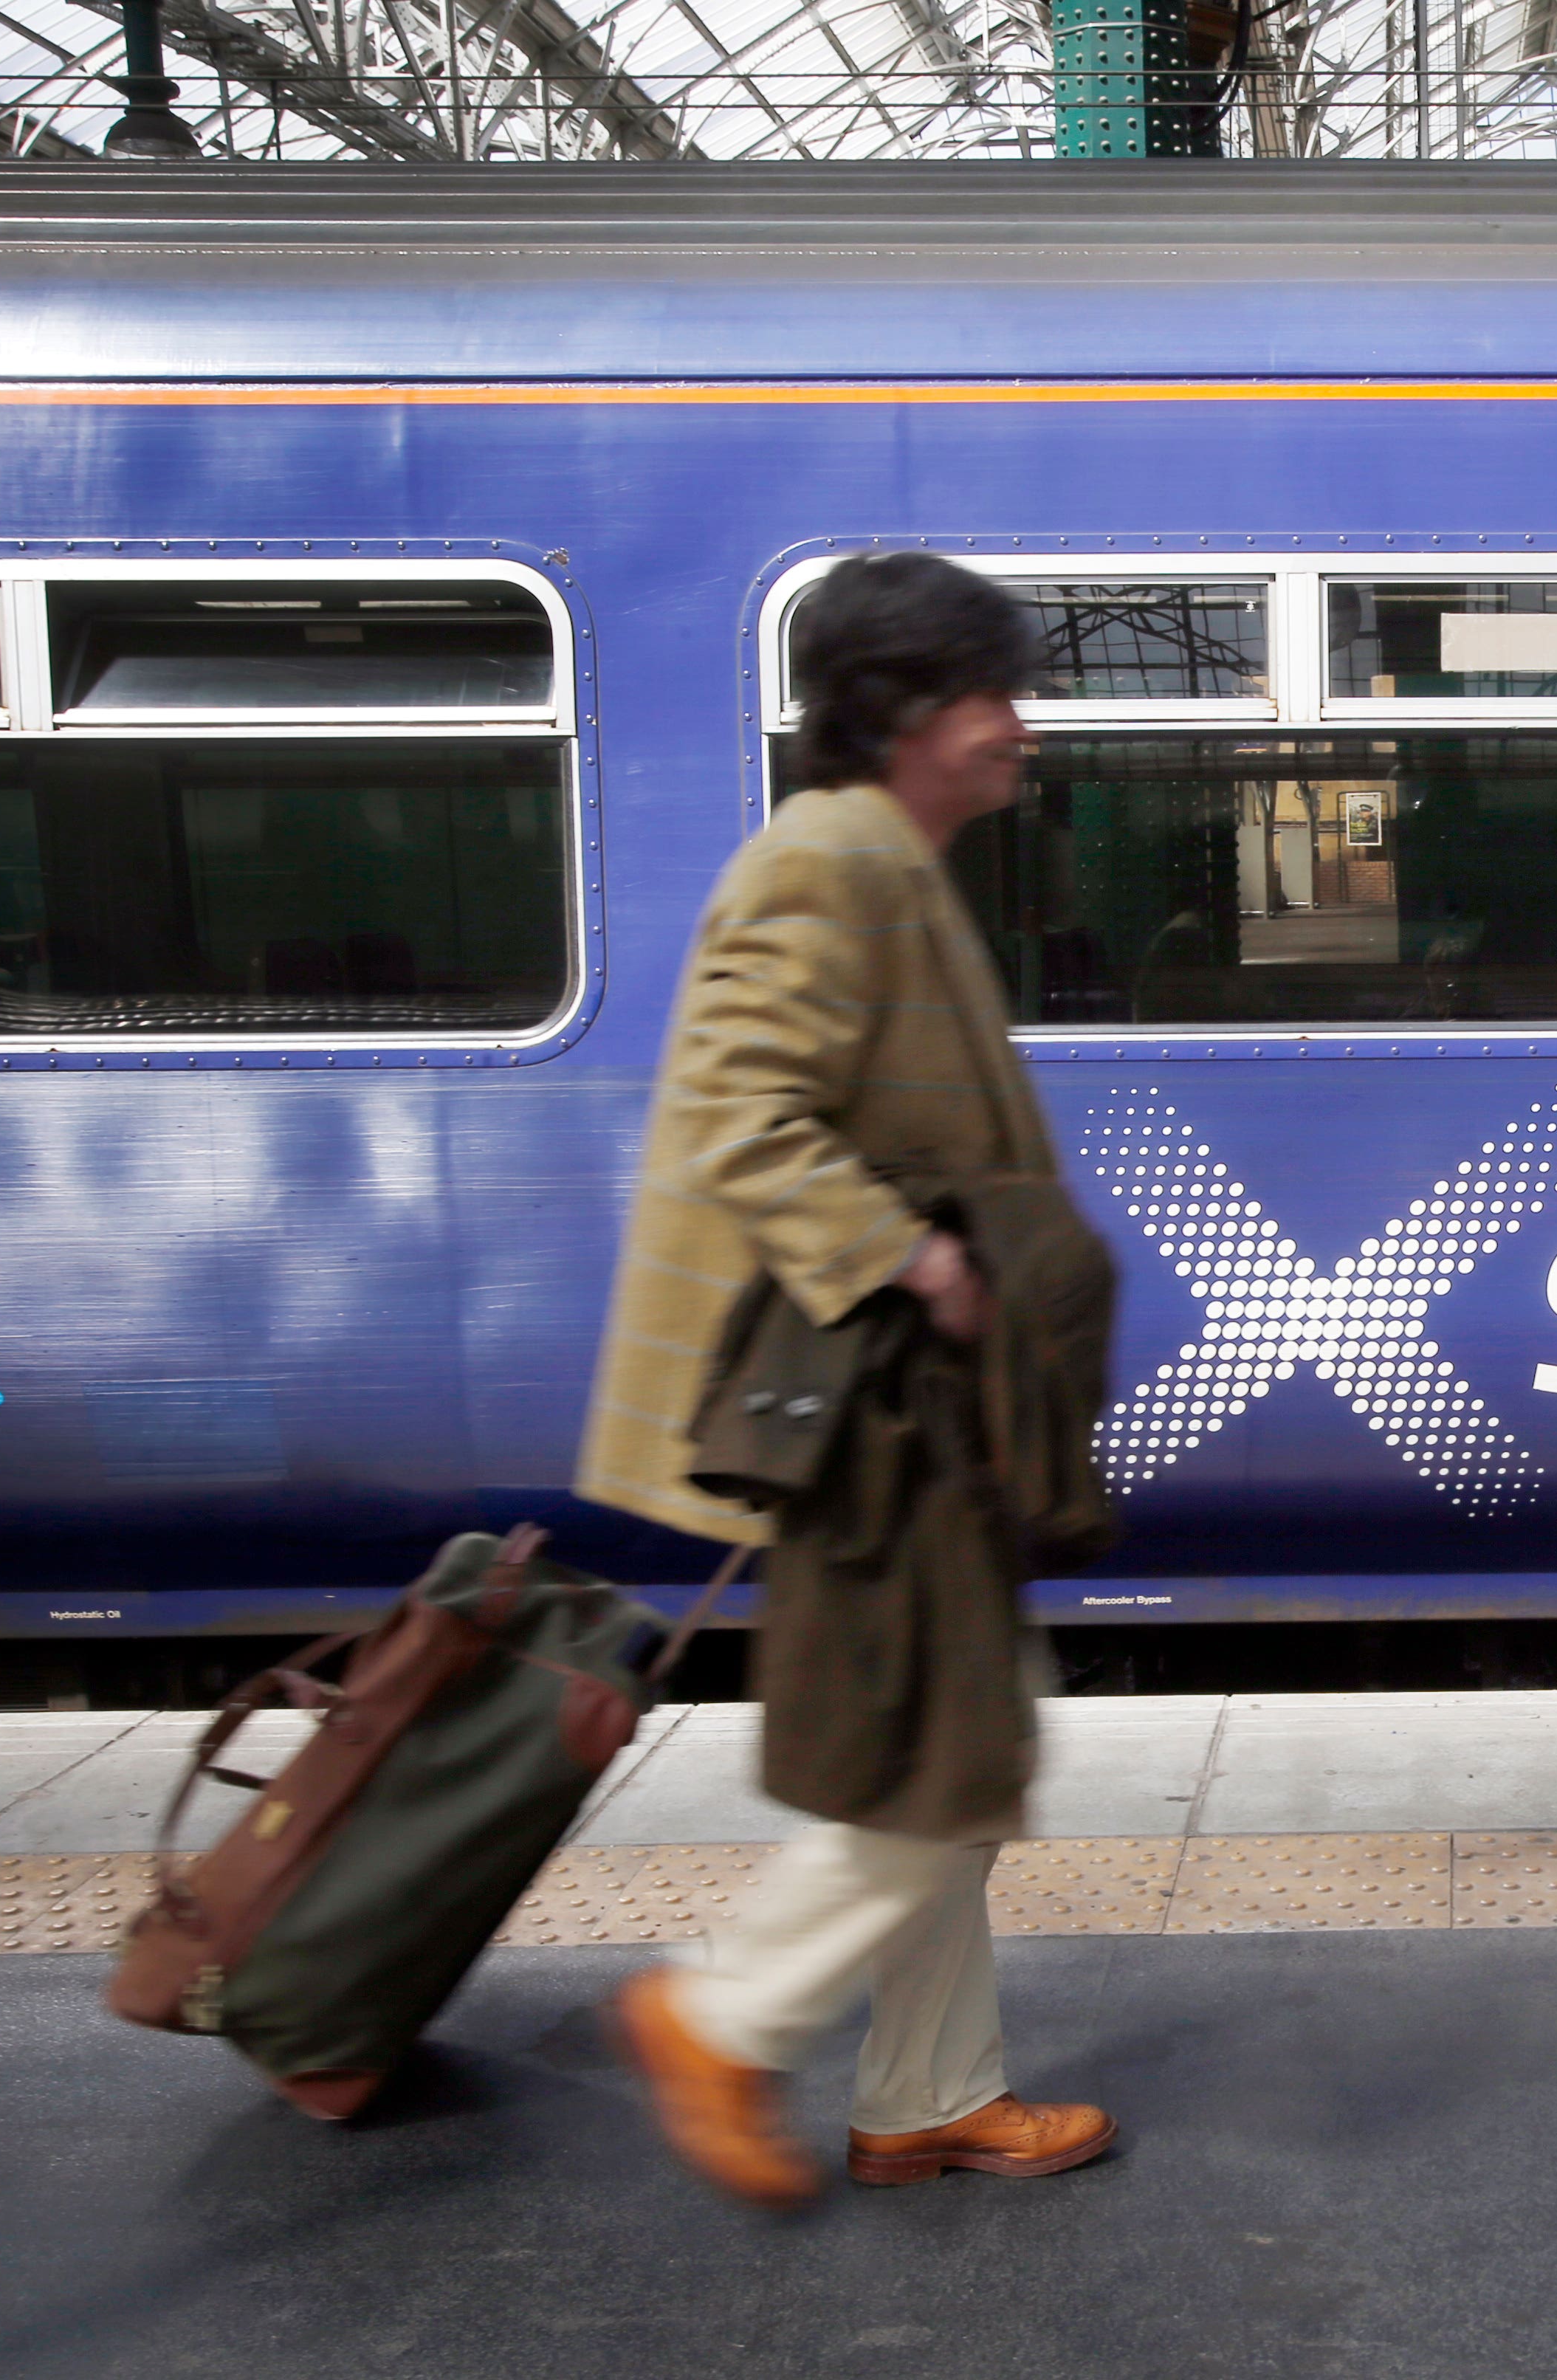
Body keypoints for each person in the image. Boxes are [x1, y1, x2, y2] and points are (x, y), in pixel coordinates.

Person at [576, 551, 1114, 2206]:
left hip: (915, 1407)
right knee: (953, 1747)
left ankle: (928, 2093)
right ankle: (722, 2016)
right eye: (990, 692)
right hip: (874, 1409)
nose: (1017, 725)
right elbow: (745, 1108)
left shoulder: (890, 859)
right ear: (906, 711)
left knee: (941, 1741)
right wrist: (917, 1259)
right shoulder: (827, 862)